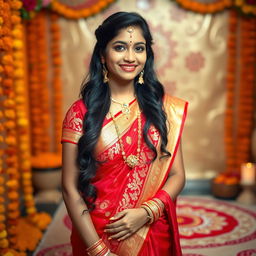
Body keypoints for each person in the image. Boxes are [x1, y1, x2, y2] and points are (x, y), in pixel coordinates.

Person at [61, 12, 188, 256]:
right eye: (120, 47)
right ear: (102, 54)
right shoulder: (81, 113)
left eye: (139, 48)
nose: (130, 57)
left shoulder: (163, 109)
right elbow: (69, 187)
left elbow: (177, 175)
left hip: (150, 230)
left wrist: (147, 212)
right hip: (97, 234)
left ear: (147, 55)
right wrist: (99, 250)